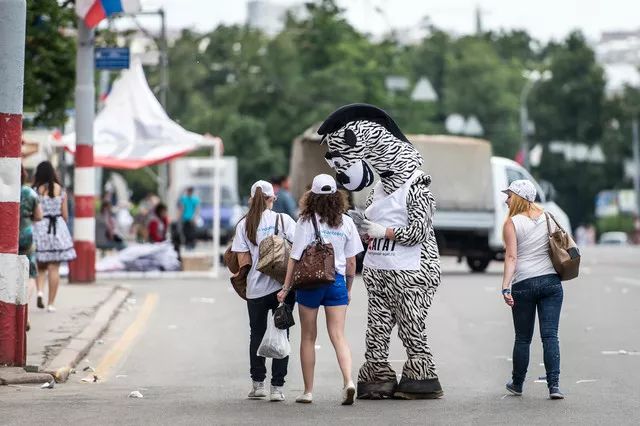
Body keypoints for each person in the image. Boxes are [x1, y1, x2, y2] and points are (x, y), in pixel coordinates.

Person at [277, 174, 364, 405]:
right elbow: (352, 262)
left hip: (310, 284)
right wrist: (348, 288)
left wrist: (286, 288)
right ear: (337, 195)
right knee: (338, 336)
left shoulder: (305, 221)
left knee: (308, 336)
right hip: (336, 283)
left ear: (311, 196)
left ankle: (308, 391)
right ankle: (348, 381)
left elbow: (294, 258)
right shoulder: (346, 222)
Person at [231, 180, 297, 402]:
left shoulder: (244, 225)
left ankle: (258, 385)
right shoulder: (283, 220)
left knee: (256, 335)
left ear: (251, 199)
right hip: (282, 288)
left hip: (256, 289)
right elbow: (298, 250)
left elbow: (243, 261)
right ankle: (277, 388)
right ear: (273, 198)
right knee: (282, 334)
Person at [500, 179, 565, 400]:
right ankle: (554, 386)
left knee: (522, 338)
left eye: (509, 195)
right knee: (550, 336)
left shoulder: (512, 223)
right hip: (551, 283)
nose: (506, 199)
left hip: (524, 284)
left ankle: (517, 384)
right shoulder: (548, 218)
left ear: (518, 197)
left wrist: (505, 287)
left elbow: (511, 257)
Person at [32, 161, 76, 312]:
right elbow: (65, 215)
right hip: (56, 228)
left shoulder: (35, 190)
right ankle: (51, 304)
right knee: (54, 268)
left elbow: (34, 212)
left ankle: (39, 292)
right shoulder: (60, 190)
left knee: (40, 266)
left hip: (40, 228)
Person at [19, 166, 43, 330]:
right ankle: (24, 312)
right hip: (26, 234)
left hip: (5, 234)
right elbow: (39, 215)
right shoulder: (29, 192)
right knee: (31, 274)